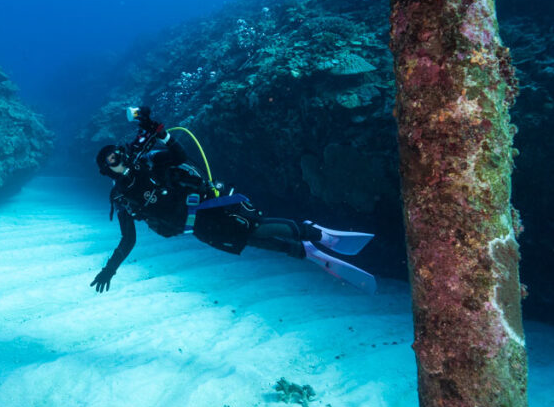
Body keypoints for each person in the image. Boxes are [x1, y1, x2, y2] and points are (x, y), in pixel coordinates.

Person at [91, 107, 376, 294]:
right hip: (195, 228)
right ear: (106, 172)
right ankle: (305, 251)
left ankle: (319, 234)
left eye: (116, 154)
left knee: (256, 228)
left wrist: (163, 135)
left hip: (206, 203)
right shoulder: (122, 198)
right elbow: (127, 240)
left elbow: (180, 157)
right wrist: (109, 269)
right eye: (110, 162)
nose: (117, 161)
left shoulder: (150, 163)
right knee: (248, 241)